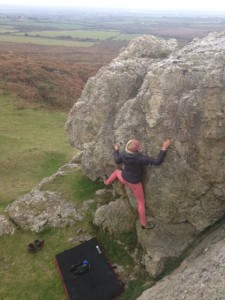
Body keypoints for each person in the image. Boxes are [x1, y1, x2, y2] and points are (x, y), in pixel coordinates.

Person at [105, 139, 171, 229]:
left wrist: (116, 150)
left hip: (124, 178)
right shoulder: (140, 158)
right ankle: (144, 224)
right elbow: (157, 162)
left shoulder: (124, 154)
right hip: (135, 184)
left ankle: (107, 182)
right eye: (138, 145)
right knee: (140, 202)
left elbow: (117, 161)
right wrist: (164, 148)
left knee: (117, 172)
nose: (139, 146)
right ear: (136, 149)